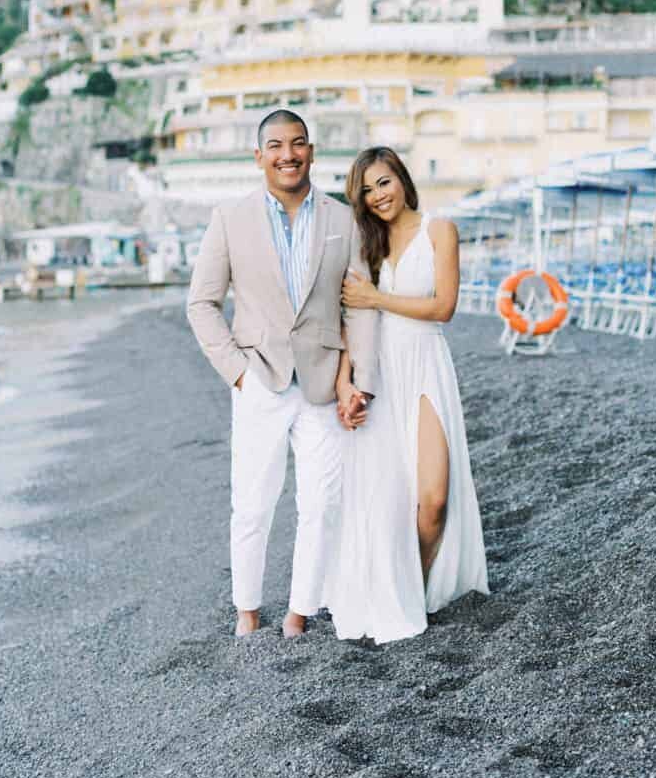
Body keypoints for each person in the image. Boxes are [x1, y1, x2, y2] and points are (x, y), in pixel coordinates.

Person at [186, 109, 378, 639]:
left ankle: (299, 613)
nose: (287, 154)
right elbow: (201, 304)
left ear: (312, 152)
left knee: (322, 503)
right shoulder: (230, 217)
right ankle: (247, 611)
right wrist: (238, 374)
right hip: (259, 380)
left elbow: (357, 307)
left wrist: (356, 380)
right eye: (275, 145)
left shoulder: (343, 221)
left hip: (322, 384)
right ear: (258, 156)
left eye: (297, 144)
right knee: (252, 502)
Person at [327, 146, 488, 643]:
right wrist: (344, 385)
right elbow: (347, 322)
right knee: (385, 500)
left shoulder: (439, 230)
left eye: (384, 182)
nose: (378, 196)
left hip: (424, 365)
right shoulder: (364, 246)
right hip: (379, 374)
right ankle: (397, 596)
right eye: (367, 190)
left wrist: (377, 297)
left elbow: (444, 307)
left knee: (433, 497)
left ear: (402, 178)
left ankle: (414, 587)